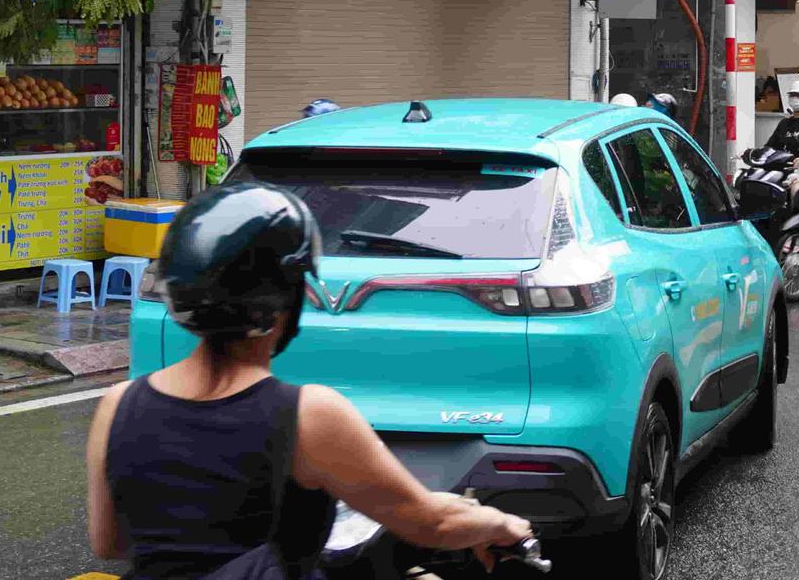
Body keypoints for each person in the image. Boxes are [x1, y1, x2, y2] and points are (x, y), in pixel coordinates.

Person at [86, 183, 530, 578]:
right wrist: (503, 524)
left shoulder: (118, 403)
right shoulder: (306, 414)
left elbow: (110, 543)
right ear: (288, 297)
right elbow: (431, 523)